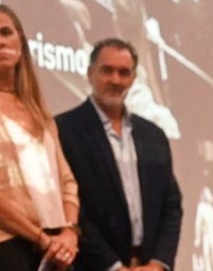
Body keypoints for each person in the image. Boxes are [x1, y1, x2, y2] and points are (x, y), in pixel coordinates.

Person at [0, 4, 80, 270]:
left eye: (6, 32)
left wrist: (69, 233)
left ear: (20, 42)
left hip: (54, 249)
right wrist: (40, 238)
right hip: (1, 249)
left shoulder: (38, 111)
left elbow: (67, 182)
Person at [56, 38, 183, 271]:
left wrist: (158, 264)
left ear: (133, 79)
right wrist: (112, 266)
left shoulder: (153, 135)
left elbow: (171, 206)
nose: (115, 80)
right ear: (90, 74)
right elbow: (69, 206)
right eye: (107, 71)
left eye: (124, 73)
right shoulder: (64, 130)